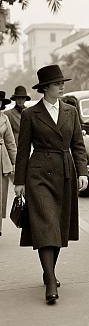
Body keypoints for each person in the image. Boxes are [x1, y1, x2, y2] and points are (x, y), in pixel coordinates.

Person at [14, 65, 88, 305]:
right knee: (46, 224)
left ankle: (48, 272)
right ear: (45, 88)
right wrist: (19, 182)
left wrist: (83, 172)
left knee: (58, 226)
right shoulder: (30, 114)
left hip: (65, 172)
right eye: (57, 84)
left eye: (62, 83)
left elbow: (78, 144)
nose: (62, 86)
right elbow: (23, 150)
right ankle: (51, 280)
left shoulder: (71, 111)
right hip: (38, 175)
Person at [0, 91, 17, 237]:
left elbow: (11, 143)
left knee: (0, 196)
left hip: (2, 161)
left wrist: (16, 164)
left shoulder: (5, 119)